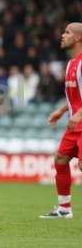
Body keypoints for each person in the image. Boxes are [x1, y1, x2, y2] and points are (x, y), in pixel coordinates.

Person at [40, 22, 82, 219]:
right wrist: (61, 111)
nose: (62, 35)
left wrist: (79, 114)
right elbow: (75, 97)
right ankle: (64, 209)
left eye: (67, 32)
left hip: (81, 122)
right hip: (74, 125)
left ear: (78, 38)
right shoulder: (71, 64)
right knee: (60, 159)